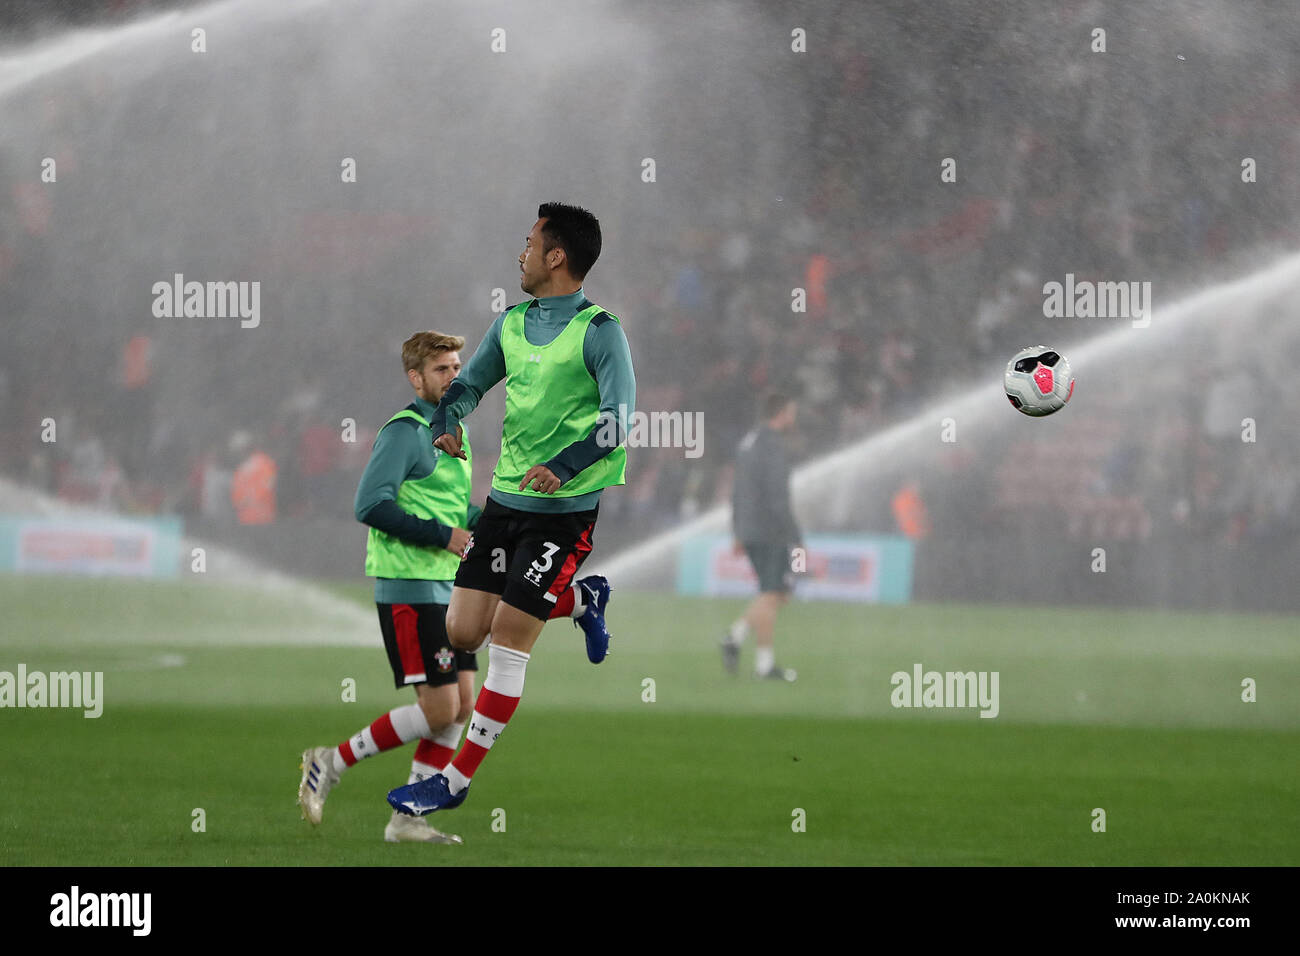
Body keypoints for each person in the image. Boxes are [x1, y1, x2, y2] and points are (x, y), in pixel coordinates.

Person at [387, 202, 633, 817]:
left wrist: (565, 467)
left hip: (563, 513)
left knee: (507, 639)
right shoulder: (512, 323)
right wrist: (448, 420)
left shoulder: (601, 332)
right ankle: (582, 599)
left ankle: (455, 780)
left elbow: (619, 422)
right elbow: (467, 385)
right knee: (462, 630)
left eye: (528, 243)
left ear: (556, 256)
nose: (518, 254)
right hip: (502, 505)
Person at [297, 331, 480, 844]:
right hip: (409, 588)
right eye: (442, 369)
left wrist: (494, 524)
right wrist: (448, 537)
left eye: (457, 367)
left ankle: (407, 821)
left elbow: (452, 510)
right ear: (415, 378)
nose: (453, 377)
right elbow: (371, 505)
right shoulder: (404, 432)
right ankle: (329, 762)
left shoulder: (455, 432)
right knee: (441, 709)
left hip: (450, 589)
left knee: (462, 705)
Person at [721, 393, 801, 681]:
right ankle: (739, 641)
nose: (794, 418)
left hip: (751, 529)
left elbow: (737, 491)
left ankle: (758, 658)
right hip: (771, 531)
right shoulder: (772, 445)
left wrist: (738, 530)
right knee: (772, 593)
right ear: (780, 413)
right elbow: (778, 497)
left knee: (773, 594)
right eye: (792, 412)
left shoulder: (749, 442)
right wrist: (795, 535)